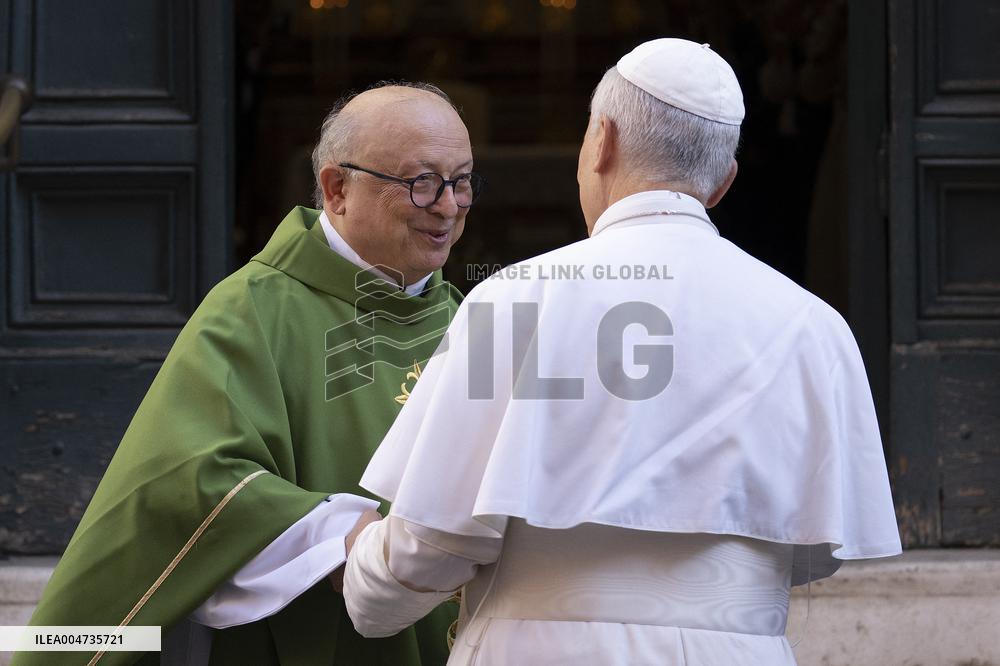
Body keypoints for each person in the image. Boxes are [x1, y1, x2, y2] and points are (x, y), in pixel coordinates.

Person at [341, 39, 902, 665]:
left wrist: (366, 577)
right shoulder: (816, 327)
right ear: (722, 183)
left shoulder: (517, 299)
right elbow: (812, 555)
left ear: (600, 141)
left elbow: (431, 545)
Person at [14, 82, 483, 666]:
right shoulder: (253, 309)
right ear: (338, 188)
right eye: (422, 183)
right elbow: (191, 483)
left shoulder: (464, 319)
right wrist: (341, 535)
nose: (447, 206)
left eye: (461, 181)